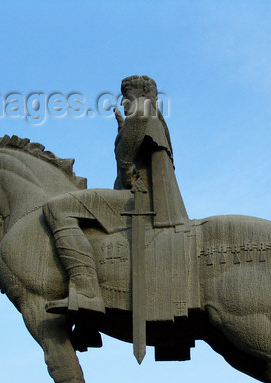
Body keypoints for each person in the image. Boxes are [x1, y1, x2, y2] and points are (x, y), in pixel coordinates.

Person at [44, 75, 188, 316]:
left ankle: (87, 291)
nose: (123, 103)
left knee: (58, 208)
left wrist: (124, 153)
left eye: (126, 97)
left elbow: (126, 163)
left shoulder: (142, 110)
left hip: (139, 200)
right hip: (139, 197)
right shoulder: (154, 117)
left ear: (141, 95)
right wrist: (124, 131)